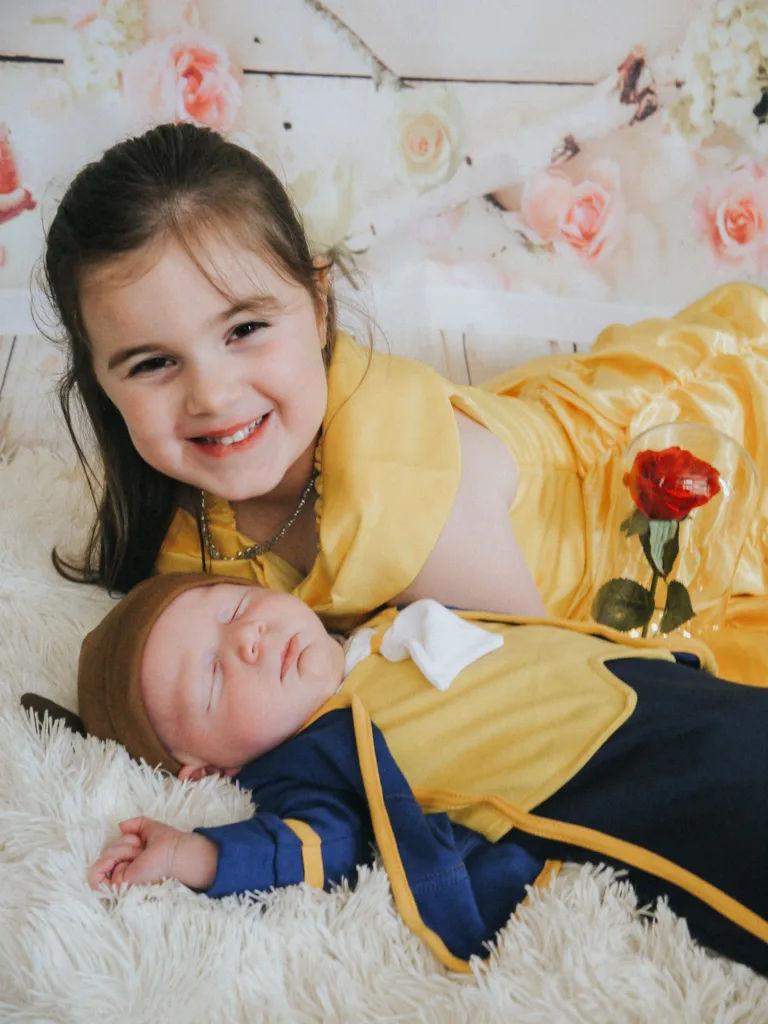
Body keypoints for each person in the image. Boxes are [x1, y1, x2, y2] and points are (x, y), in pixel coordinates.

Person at [44, 121, 768, 680]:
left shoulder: (408, 495)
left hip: (688, 476)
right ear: (99, 383)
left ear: (319, 306)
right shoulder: (190, 537)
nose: (212, 394)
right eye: (153, 363)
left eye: (246, 329)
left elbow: (555, 699)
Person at [66, 573, 768, 976]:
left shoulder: (380, 624)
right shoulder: (304, 757)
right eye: (214, 676)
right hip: (622, 777)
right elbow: (322, 843)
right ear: (207, 769)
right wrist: (203, 855)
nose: (247, 639)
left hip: (669, 697)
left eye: (236, 608)